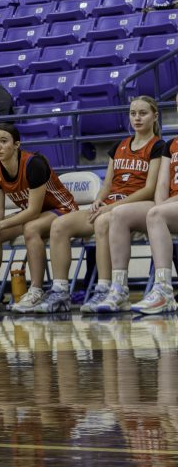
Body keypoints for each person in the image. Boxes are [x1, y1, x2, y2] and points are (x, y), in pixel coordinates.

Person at [33, 97, 166, 315]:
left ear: (155, 116)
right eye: (133, 113)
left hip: (137, 207)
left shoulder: (158, 146)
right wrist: (98, 199)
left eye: (143, 113)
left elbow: (149, 189)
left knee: (103, 221)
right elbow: (107, 184)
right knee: (59, 225)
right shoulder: (119, 146)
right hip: (111, 205)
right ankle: (60, 292)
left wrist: (112, 207)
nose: (137, 118)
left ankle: (104, 288)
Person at [0, 123, 78, 315]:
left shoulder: (34, 164)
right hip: (34, 215)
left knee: (31, 228)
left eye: (3, 141)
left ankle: (36, 291)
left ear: (16, 144)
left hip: (62, 210)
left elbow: (33, 210)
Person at [129, 113, 178, 314]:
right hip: (173, 205)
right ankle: (115, 288)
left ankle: (163, 290)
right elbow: (162, 184)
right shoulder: (172, 144)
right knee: (152, 214)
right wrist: (161, 205)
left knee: (156, 215)